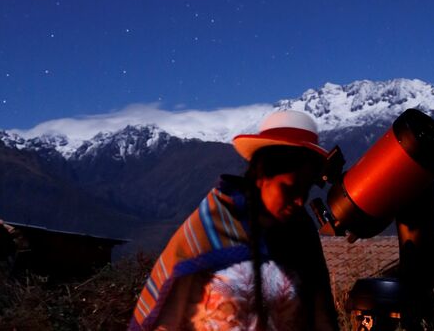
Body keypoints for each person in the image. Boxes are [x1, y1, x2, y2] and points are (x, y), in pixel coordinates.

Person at [130, 110, 339, 331]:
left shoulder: (301, 233)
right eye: (288, 188)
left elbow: (320, 313)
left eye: (305, 190)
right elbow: (164, 316)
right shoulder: (212, 224)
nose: (299, 201)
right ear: (261, 174)